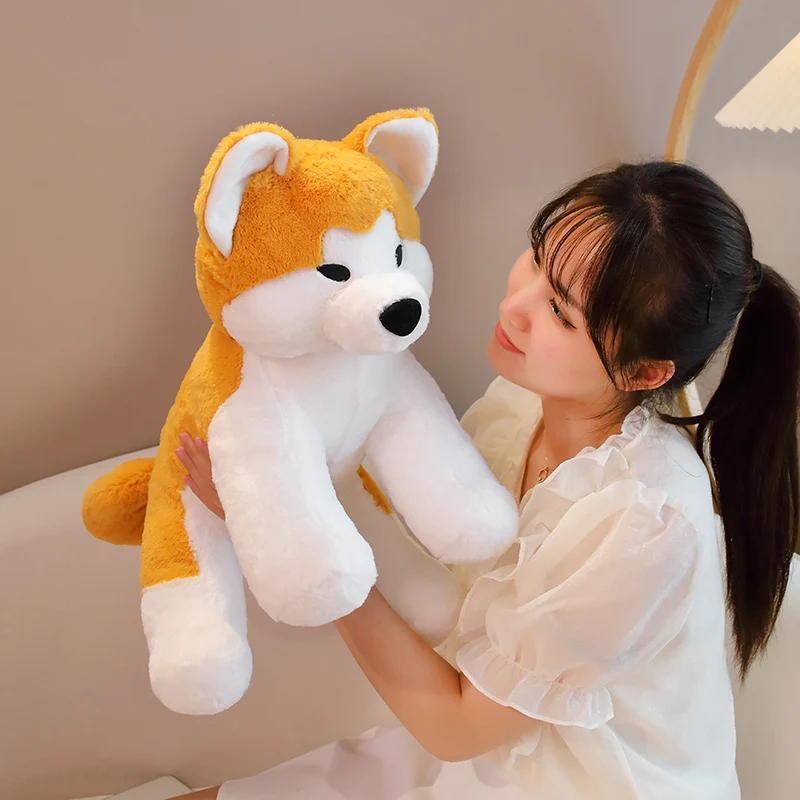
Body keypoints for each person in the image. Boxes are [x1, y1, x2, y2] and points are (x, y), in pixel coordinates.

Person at [171, 161, 800, 799]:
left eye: (560, 312)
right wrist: (275, 488)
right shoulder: (518, 407)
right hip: (488, 746)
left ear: (642, 373)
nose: (515, 307)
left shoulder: (646, 524)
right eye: (537, 259)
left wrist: (300, 546)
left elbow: (456, 727)